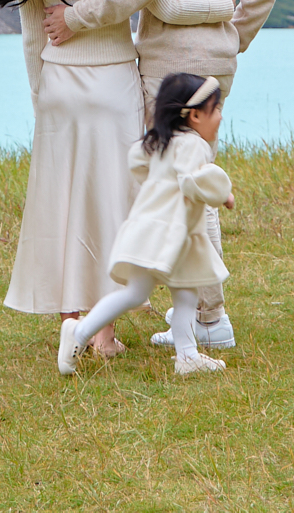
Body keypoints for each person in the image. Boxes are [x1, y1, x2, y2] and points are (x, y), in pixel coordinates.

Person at [0, 0, 236, 357]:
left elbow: (33, 38)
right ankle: (105, 336)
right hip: (113, 79)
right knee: (110, 203)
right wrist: (220, 5)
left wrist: (41, 100)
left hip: (58, 87)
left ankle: (71, 320)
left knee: (64, 204)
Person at [44, 0, 273, 351]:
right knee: (192, 172)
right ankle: (193, 316)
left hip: (169, 62)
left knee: (178, 184)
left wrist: (76, 18)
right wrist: (226, 40)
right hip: (220, 63)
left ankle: (210, 319)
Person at [58, 71, 235, 377]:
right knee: (139, 293)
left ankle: (187, 354)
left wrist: (157, 186)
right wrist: (223, 193)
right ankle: (79, 331)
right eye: (215, 110)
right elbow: (192, 180)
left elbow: (137, 160)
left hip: (158, 229)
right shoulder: (194, 145)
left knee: (184, 290)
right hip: (168, 233)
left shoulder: (162, 141)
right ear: (194, 115)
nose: (219, 116)